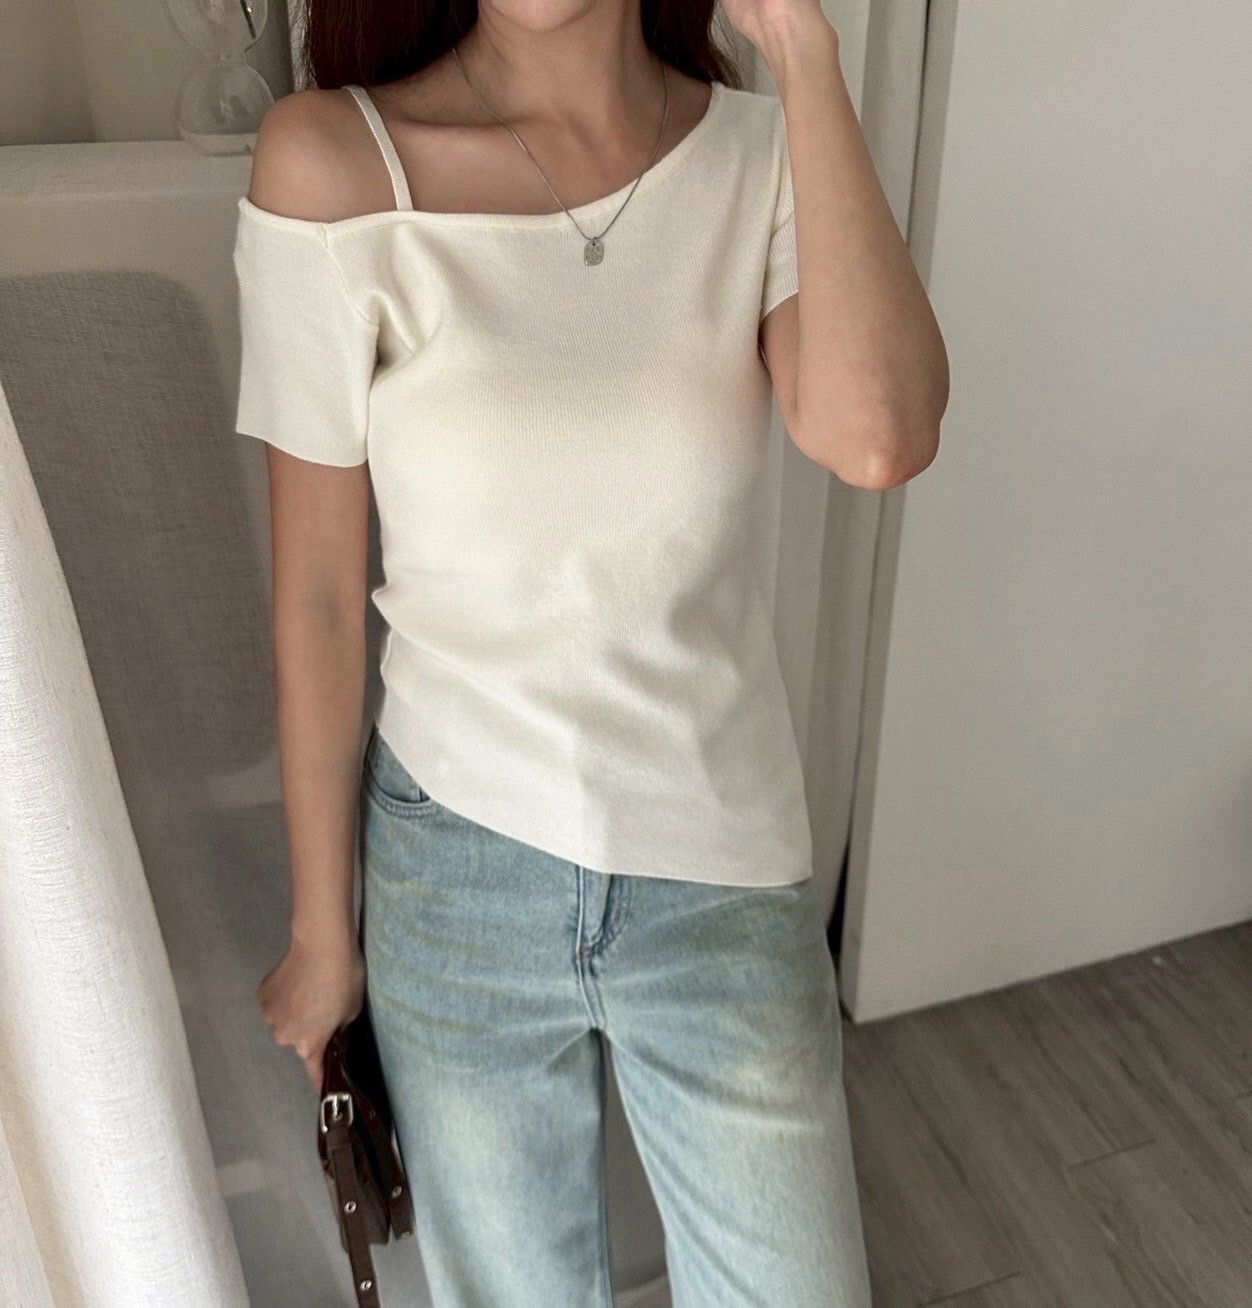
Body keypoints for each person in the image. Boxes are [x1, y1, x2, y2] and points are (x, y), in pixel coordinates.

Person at [244, 2, 947, 1304]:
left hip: (719, 859)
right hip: (455, 868)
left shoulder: (761, 153)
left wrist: (805, 53)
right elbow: (321, 599)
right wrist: (322, 930)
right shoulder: (333, 164)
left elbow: (879, 436)